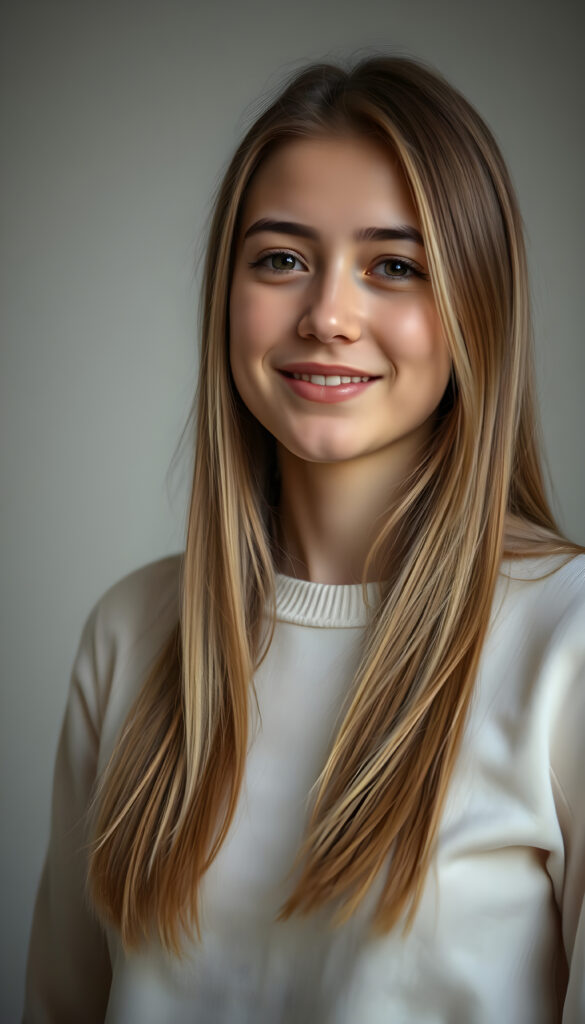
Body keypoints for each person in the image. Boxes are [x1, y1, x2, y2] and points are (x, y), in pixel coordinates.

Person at [23, 55, 585, 1023]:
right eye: (281, 258)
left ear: (476, 306)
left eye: (395, 266)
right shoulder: (129, 631)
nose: (328, 314)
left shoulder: (567, 641)